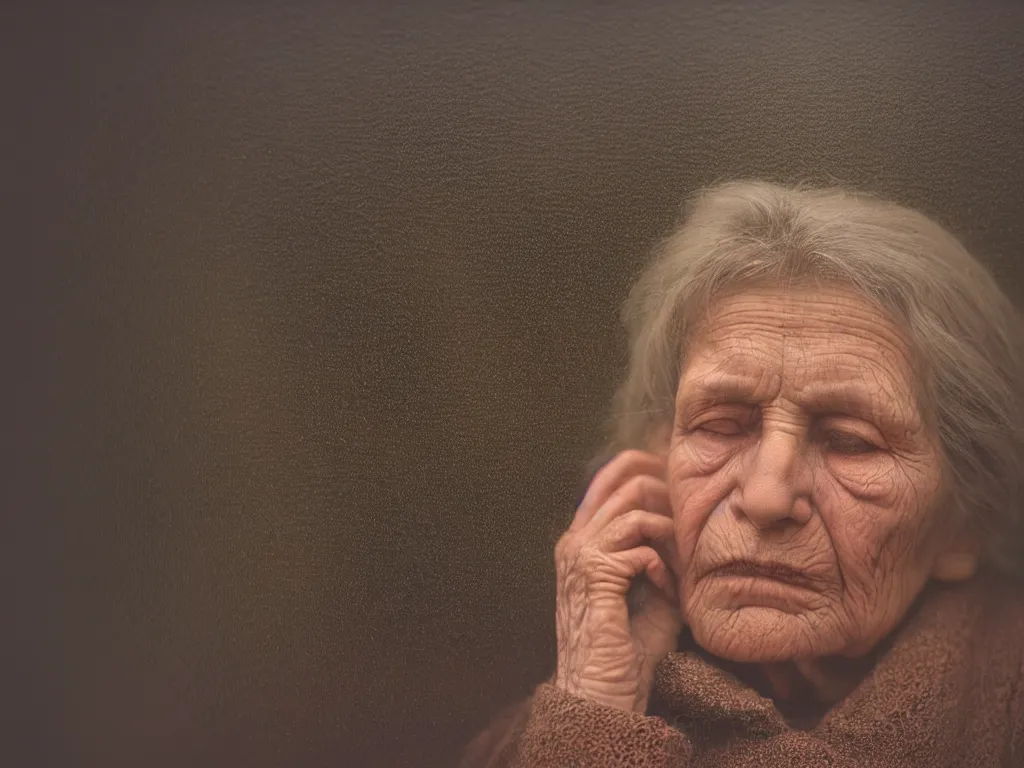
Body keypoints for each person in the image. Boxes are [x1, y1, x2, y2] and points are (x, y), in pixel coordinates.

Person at [460, 180, 1024, 767]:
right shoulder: (533, 739)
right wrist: (594, 707)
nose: (765, 496)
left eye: (850, 443)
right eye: (722, 427)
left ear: (966, 525)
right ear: (657, 462)